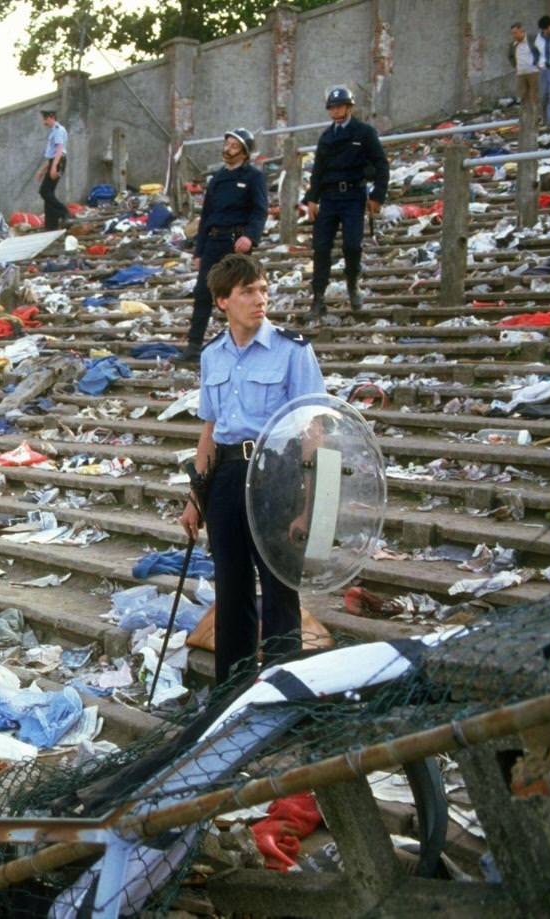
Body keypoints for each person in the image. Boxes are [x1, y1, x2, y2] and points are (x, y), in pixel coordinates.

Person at [178, 254, 325, 685]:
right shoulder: (213, 357)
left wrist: (311, 504)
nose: (260, 299)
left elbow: (313, 429)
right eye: (247, 292)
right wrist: (195, 498)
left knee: (280, 589)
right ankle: (232, 694)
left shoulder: (293, 351)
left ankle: (281, 696)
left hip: (277, 474)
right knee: (232, 586)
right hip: (225, 474)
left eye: (263, 289)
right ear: (223, 301)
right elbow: (210, 429)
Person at [181, 128, 267, 363]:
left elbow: (260, 210)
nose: (227, 149)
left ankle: (248, 343)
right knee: (202, 293)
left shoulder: (253, 177)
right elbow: (206, 215)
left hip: (237, 243)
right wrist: (199, 250)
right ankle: (194, 345)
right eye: (227, 144)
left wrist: (250, 236)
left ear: (244, 152)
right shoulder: (217, 179)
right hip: (214, 241)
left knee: (240, 293)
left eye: (233, 146)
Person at [303, 86, 388, 322]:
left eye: (340, 106)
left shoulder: (364, 133)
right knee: (321, 248)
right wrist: (312, 199)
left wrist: (377, 195)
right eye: (333, 107)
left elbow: (381, 164)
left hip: (353, 195)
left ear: (349, 107)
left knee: (352, 245)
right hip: (329, 198)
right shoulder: (326, 137)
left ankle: (353, 285)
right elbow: (318, 171)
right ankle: (318, 298)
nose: (336, 111)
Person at [36, 109, 70, 230]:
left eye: (45, 119)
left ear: (51, 117)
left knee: (44, 191)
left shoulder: (58, 130)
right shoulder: (53, 131)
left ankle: (64, 212)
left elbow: (59, 150)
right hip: (55, 161)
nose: (44, 122)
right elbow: (51, 155)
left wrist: (54, 167)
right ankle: (51, 224)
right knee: (48, 192)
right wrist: (42, 170)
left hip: (58, 161)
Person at [508, 22, 541, 110]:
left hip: (533, 71)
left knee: (535, 95)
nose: (514, 35)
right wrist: (515, 66)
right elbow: (510, 56)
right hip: (521, 73)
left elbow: (540, 50)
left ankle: (537, 116)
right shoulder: (513, 45)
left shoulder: (532, 40)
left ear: (522, 31)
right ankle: (526, 117)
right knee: (523, 96)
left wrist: (538, 63)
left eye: (516, 33)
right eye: (512, 33)